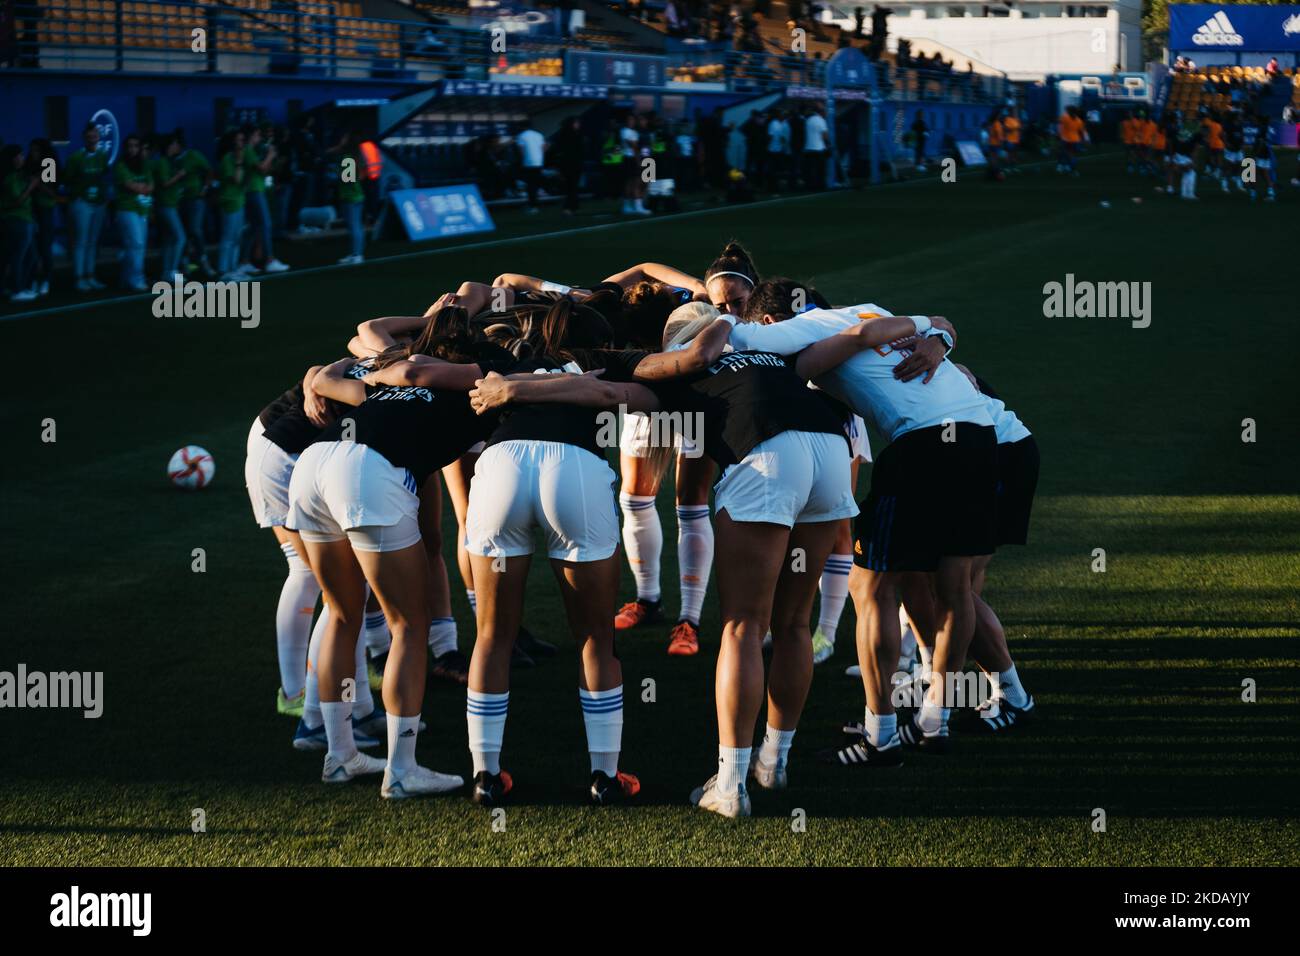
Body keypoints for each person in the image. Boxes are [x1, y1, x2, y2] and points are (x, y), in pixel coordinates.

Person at [726, 280, 1000, 762]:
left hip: (924, 445)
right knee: (949, 586)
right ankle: (935, 720)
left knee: (871, 589)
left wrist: (696, 319)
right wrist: (940, 339)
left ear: (771, 319)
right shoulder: (872, 310)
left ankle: (882, 735)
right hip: (981, 439)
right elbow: (943, 324)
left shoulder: (796, 327)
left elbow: (743, 344)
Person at [288, 307, 515, 797]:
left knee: (342, 612)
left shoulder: (390, 378)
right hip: (370, 474)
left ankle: (340, 755)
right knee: (410, 626)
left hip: (313, 464)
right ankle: (402, 769)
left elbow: (333, 376)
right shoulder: (483, 380)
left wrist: (318, 380)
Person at [65, 123, 110, 291]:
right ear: (85, 138)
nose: (92, 139)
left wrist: (103, 198)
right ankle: (79, 278)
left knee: (92, 242)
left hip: (98, 203)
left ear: (98, 137)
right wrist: (78, 196)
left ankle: (90, 276)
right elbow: (67, 180)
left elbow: (104, 177)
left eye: (95, 136)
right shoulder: (76, 158)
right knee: (81, 242)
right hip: (81, 203)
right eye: (89, 136)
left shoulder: (103, 155)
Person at [238, 124, 289, 273]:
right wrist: (271, 156)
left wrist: (271, 160)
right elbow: (261, 168)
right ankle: (269, 260)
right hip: (254, 191)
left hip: (256, 190)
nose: (259, 138)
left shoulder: (251, 151)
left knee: (253, 227)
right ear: (251, 136)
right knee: (266, 223)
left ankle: (244, 261)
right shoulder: (248, 150)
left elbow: (264, 170)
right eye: (257, 135)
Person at [112, 133, 153, 292]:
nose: (133, 149)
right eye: (130, 146)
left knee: (137, 246)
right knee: (137, 243)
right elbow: (132, 186)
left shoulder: (145, 164)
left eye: (136, 146)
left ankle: (126, 278)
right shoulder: (121, 165)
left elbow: (151, 186)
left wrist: (142, 187)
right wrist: (142, 187)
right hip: (126, 209)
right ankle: (136, 278)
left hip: (142, 209)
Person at [174, 132, 214, 276]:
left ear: (179, 145)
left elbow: (209, 170)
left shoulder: (193, 155)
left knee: (195, 229)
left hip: (196, 200)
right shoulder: (170, 160)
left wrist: (204, 189)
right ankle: (186, 264)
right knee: (183, 233)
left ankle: (203, 260)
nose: (172, 147)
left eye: (174, 144)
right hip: (179, 201)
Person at [1, 144, 37, 302]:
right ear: (12, 159)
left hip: (21, 220)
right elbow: (18, 201)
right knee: (19, 256)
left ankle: (15, 287)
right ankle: (17, 290)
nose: (22, 158)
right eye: (19, 156)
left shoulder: (16, 175)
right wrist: (32, 186)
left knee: (26, 256)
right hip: (18, 220)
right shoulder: (10, 178)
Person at [152, 132, 188, 281]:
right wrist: (179, 176)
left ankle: (166, 272)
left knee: (169, 239)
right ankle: (172, 270)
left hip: (171, 204)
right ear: (168, 146)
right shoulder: (162, 162)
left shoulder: (170, 161)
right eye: (174, 144)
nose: (177, 146)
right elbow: (165, 183)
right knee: (180, 237)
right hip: (165, 205)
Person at [25, 139, 58, 298]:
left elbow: (52, 193)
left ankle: (46, 279)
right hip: (29, 210)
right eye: (32, 150)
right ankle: (32, 280)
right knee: (31, 247)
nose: (33, 153)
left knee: (45, 246)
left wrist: (37, 183)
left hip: (45, 209)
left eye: (37, 150)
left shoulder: (49, 163)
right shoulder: (27, 163)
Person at [216, 129, 247, 280]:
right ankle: (223, 271)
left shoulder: (237, 158)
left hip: (239, 201)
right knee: (228, 237)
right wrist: (240, 162)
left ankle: (233, 268)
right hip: (229, 202)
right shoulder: (228, 159)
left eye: (243, 140)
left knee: (236, 237)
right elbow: (236, 179)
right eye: (239, 140)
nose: (242, 144)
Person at [332, 132, 367, 263]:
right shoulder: (355, 156)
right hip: (356, 195)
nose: (342, 139)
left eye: (344, 137)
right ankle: (355, 253)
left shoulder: (347, 157)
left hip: (350, 197)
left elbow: (348, 179)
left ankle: (357, 254)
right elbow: (359, 176)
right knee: (356, 226)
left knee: (354, 226)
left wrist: (337, 174)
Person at [551, 116, 584, 215]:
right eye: (576, 123)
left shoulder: (562, 134)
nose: (578, 125)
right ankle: (569, 207)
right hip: (571, 164)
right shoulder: (573, 135)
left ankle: (572, 206)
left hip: (568, 164)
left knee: (571, 187)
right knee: (571, 186)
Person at [515, 121, 546, 214]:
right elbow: (544, 148)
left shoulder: (521, 136)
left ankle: (533, 206)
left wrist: (523, 161)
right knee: (536, 184)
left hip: (528, 164)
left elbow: (521, 151)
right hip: (539, 163)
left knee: (530, 186)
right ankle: (535, 204)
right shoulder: (539, 135)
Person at [803, 104, 830, 190]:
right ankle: (820, 186)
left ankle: (810, 186)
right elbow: (824, 135)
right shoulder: (821, 120)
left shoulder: (808, 120)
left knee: (810, 169)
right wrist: (828, 146)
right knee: (820, 170)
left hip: (808, 148)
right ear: (821, 112)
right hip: (819, 148)